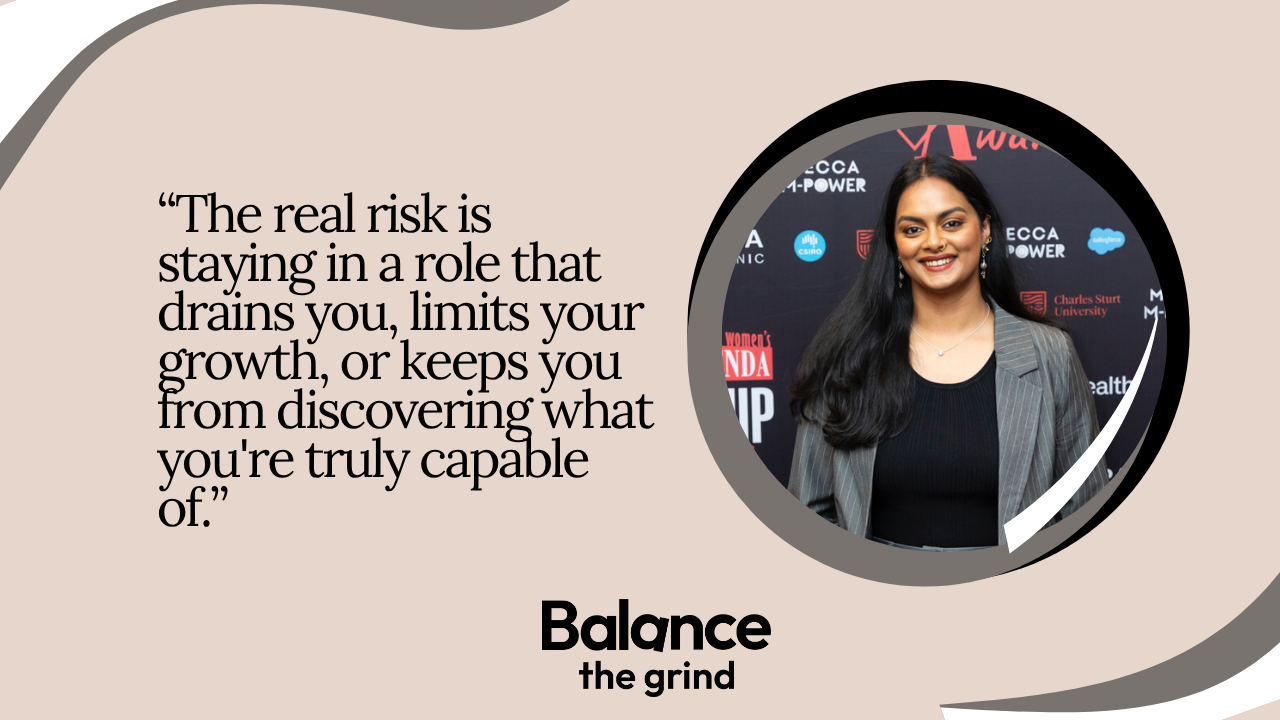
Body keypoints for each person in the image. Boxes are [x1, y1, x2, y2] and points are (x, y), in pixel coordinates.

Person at [787, 154, 1107, 550]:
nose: (934, 241)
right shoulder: (848, 356)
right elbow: (809, 511)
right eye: (912, 229)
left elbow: (1084, 508)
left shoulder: (1050, 354)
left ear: (985, 229)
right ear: (894, 244)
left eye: (951, 223)